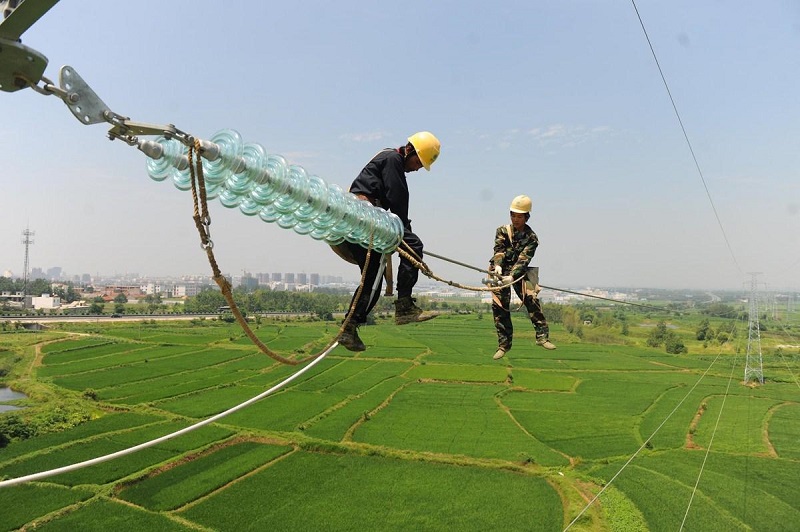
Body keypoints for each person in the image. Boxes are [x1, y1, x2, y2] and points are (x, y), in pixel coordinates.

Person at [335, 132, 441, 351]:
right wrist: (403, 232)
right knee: (414, 246)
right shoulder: (392, 160)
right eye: (418, 162)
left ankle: (349, 327)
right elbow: (398, 200)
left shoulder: (386, 158)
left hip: (361, 221)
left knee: (372, 278)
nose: (418, 168)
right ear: (410, 151)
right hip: (366, 218)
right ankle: (404, 306)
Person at [489, 195, 556, 360]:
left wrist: (512, 277)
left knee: (531, 300)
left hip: (520, 272)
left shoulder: (532, 238)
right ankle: (504, 345)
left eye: (519, 216)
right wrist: (498, 266)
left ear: (526, 217)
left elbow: (524, 259)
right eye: (513, 215)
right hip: (500, 270)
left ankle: (542, 337)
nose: (516, 219)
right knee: (499, 306)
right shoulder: (502, 231)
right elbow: (499, 250)